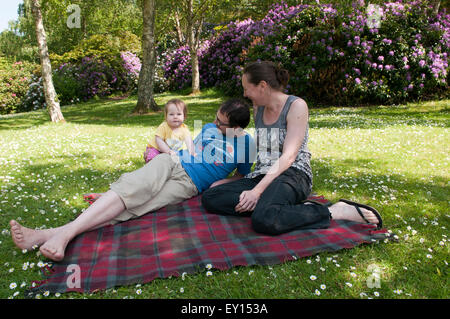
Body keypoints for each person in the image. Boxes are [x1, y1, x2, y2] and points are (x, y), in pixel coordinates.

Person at [10, 98, 256, 262]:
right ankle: (64, 235)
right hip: (172, 162)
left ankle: (47, 234)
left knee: (138, 205)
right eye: (214, 118)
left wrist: (219, 184)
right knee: (134, 187)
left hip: (189, 185)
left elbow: (242, 175)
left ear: (235, 127)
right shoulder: (211, 129)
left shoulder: (247, 144)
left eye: (219, 122)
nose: (213, 124)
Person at [201, 61, 383, 235]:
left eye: (246, 88)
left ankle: (334, 211)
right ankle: (283, 209)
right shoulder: (258, 109)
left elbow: (289, 157)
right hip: (263, 175)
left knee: (264, 220)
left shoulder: (296, 106)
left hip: (294, 174)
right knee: (211, 197)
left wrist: (256, 192)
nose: (245, 94)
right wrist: (234, 181)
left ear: (262, 86)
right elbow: (241, 137)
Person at [144, 98, 195, 163]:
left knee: (173, 161)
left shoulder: (184, 129)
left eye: (179, 114)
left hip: (170, 151)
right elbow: (158, 140)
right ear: (166, 117)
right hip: (156, 148)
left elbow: (189, 141)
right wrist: (168, 151)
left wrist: (192, 152)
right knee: (153, 157)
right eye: (171, 114)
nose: (175, 117)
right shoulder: (164, 126)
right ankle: (150, 164)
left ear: (184, 117)